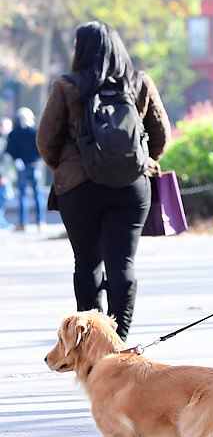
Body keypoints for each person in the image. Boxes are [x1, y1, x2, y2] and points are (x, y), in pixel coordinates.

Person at [37, 21, 171, 340]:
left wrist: (67, 167)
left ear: (80, 49)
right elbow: (162, 134)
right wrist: (141, 162)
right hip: (130, 187)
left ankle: (90, 339)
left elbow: (46, 140)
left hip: (78, 190)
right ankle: (118, 338)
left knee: (86, 264)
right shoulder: (138, 83)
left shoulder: (68, 86)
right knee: (121, 262)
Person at [6, 107, 45, 230]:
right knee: (31, 194)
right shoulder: (31, 132)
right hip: (29, 166)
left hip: (28, 166)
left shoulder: (23, 132)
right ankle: (33, 222)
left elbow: (11, 150)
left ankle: (32, 222)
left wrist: (19, 159)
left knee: (31, 194)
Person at [0, 117, 14, 229]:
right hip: (2, 175)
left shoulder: (4, 139)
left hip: (5, 174)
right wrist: (2, 175)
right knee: (3, 197)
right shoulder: (1, 141)